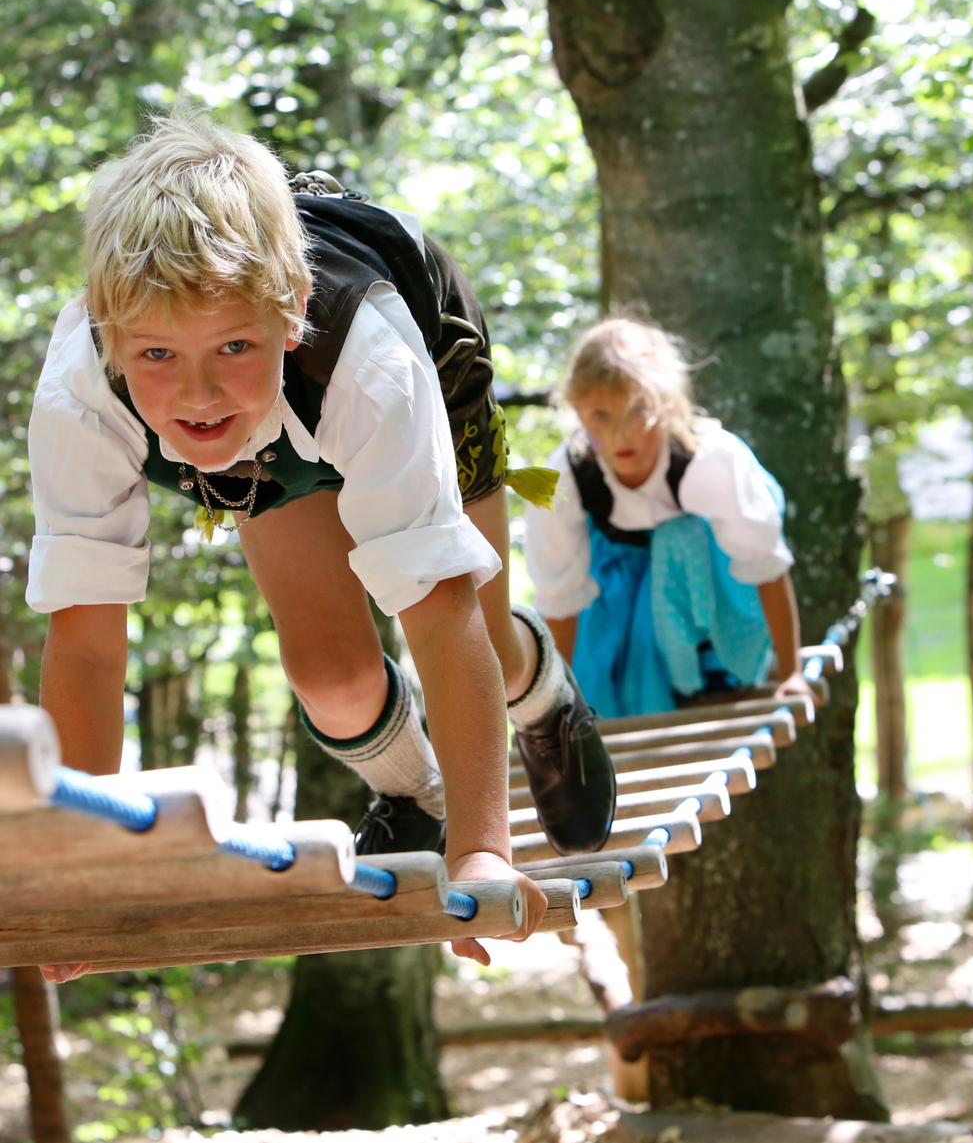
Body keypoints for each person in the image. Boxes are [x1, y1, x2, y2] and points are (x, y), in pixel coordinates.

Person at [27, 111, 615, 979]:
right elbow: (83, 645)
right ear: (108, 337)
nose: (196, 391)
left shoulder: (369, 359)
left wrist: (484, 855)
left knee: (483, 631)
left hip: (410, 354)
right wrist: (77, 876)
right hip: (277, 423)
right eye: (156, 353)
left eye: (232, 343)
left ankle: (545, 698)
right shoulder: (79, 393)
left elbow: (441, 615)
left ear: (288, 315)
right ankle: (413, 789)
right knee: (331, 677)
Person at [523, 318, 819, 718]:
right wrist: (554, 713)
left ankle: (711, 667)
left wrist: (791, 673)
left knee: (678, 536)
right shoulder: (567, 477)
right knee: (603, 680)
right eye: (600, 417)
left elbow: (764, 566)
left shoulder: (710, 460)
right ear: (577, 410)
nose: (620, 435)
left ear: (667, 402)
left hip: (710, 578)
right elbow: (561, 602)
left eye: (637, 410)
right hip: (618, 577)